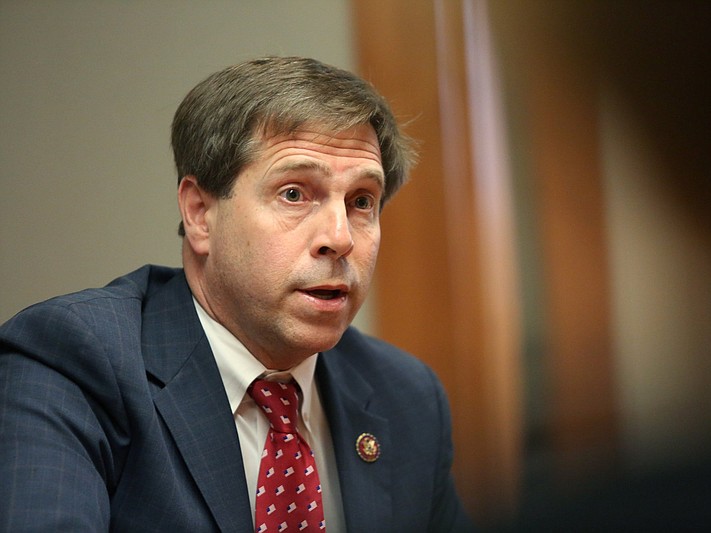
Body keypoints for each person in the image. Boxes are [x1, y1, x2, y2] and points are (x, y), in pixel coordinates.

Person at [0, 57, 472, 532]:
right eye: (294, 193)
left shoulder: (406, 396)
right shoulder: (74, 361)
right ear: (200, 213)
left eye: (362, 201)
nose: (341, 236)